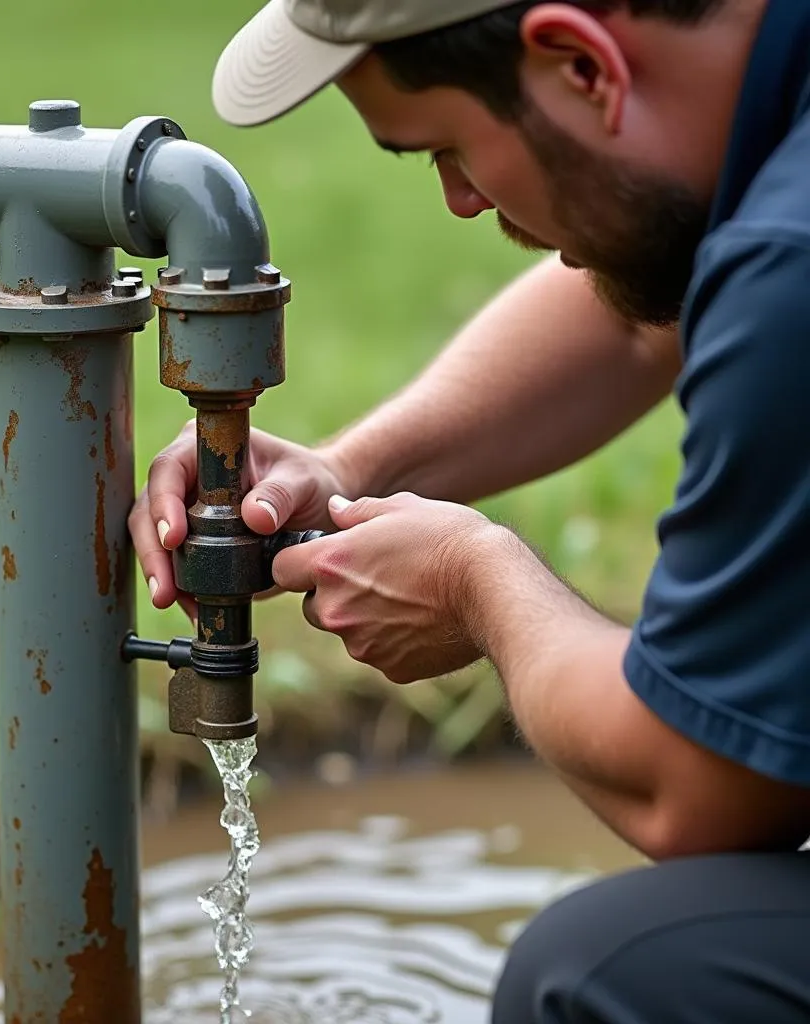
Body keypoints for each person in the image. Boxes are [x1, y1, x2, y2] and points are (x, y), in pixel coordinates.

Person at [130, 1, 810, 1019]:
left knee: (604, 973)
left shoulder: (788, 263)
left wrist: (477, 583)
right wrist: (342, 466)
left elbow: (696, 787)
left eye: (447, 148)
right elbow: (634, 323)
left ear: (581, 64)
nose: (458, 201)